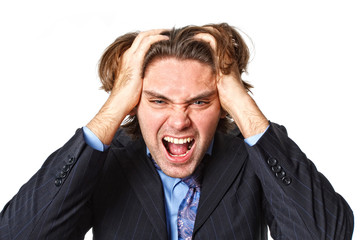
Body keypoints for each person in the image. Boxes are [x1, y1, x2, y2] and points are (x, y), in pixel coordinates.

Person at [0, 23, 354, 240]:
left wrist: (241, 100)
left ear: (222, 104)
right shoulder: (105, 161)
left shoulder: (251, 158)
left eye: (200, 102)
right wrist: (115, 103)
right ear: (134, 103)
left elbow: (324, 235)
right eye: (158, 101)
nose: (180, 120)